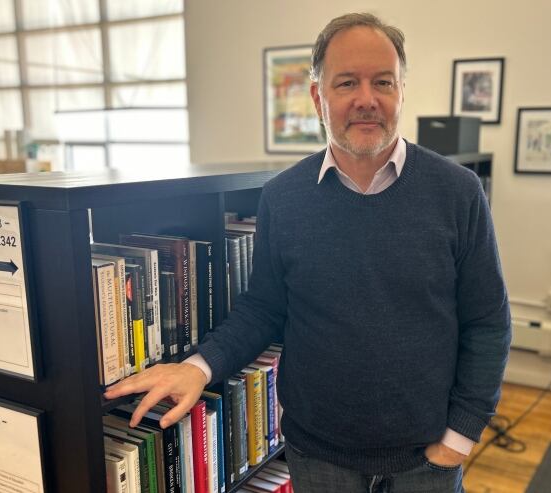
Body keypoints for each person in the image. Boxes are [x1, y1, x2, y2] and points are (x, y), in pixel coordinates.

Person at [105, 12, 511, 493]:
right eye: (346, 83)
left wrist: (458, 440)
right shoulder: (283, 197)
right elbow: (264, 310)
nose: (367, 99)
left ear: (402, 90)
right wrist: (198, 366)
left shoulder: (458, 193)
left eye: (383, 81)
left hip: (426, 462)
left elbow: (488, 323)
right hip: (318, 456)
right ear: (319, 97)